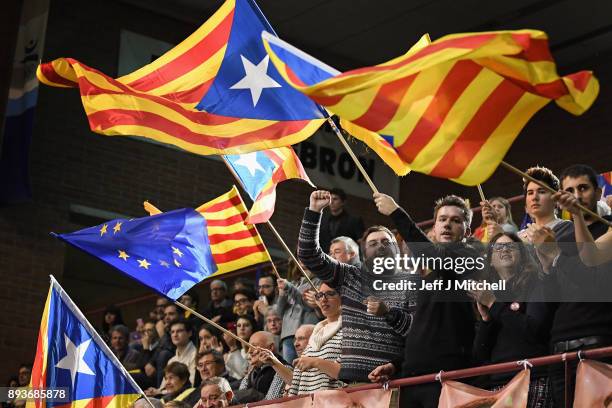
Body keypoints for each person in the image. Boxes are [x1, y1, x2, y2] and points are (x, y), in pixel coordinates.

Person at [368, 193, 481, 408]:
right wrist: (397, 364)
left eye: (456, 221)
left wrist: (396, 213)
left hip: (447, 377)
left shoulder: (470, 259)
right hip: (412, 378)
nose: (447, 225)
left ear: (466, 232)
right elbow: (425, 328)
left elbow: (433, 256)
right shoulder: (429, 277)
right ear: (435, 227)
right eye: (442, 219)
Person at [298, 190, 414, 383]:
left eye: (387, 242)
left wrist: (389, 313)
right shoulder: (349, 276)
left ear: (398, 249)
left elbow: (416, 332)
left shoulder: (410, 283)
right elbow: (308, 254)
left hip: (390, 383)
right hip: (350, 383)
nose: (380, 246)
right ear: (364, 252)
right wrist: (314, 211)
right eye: (373, 243)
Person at [534, 164, 612, 407]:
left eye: (583, 188)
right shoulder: (559, 237)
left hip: (598, 339)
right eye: (569, 190)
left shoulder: (609, 226)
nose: (576, 196)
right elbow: (553, 297)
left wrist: (556, 255)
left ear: (598, 193)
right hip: (560, 344)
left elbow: (591, 270)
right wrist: (547, 265)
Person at [471, 232, 554, 408]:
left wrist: (494, 305)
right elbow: (480, 354)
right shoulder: (490, 294)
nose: (505, 250)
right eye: (498, 247)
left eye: (511, 246)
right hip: (499, 382)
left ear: (522, 255)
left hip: (533, 376)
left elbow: (534, 330)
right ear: (491, 261)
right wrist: (486, 320)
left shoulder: (535, 283)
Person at [261, 282, 344, 396]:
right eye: (319, 295)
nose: (323, 299)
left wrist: (315, 362)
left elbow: (349, 373)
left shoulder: (350, 329)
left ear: (344, 297)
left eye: (330, 294)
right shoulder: (317, 332)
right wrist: (274, 362)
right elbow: (297, 383)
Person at [518, 166, 572, 243]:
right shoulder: (518, 235)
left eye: (542, 191)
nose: (534, 197)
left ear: (555, 199)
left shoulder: (566, 228)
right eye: (530, 193)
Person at [276, 273, 321, 364]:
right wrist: (282, 295)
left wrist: (289, 288)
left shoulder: (319, 280)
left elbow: (309, 306)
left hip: (307, 333)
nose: (301, 262)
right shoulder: (294, 283)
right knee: (289, 369)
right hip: (288, 334)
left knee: (309, 365)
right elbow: (279, 312)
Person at [234, 331, 288, 403]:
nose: (249, 351)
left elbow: (271, 402)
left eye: (254, 346)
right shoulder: (253, 371)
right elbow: (240, 397)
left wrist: (253, 395)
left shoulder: (284, 370)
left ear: (270, 347)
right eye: (248, 347)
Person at [318, 188, 365, 253]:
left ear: (343, 202)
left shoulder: (354, 220)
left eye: (335, 199)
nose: (331, 202)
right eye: (330, 199)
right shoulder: (322, 219)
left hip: (346, 259)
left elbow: (361, 242)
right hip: (324, 258)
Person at [134, 319, 174, 388]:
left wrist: (146, 349)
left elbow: (148, 370)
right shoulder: (145, 346)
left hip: (155, 381)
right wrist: (145, 348)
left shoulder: (159, 347)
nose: (146, 333)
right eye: (145, 331)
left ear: (156, 332)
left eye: (149, 330)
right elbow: (139, 366)